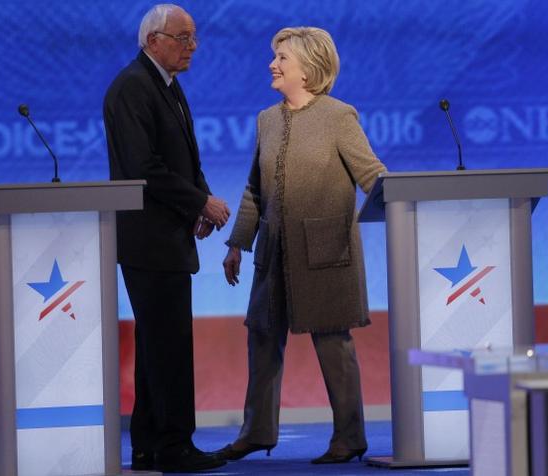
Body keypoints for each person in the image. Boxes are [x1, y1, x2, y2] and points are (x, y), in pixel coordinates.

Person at [218, 27, 387, 465]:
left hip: (326, 251)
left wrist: (404, 206)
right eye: (274, 58)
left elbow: (373, 176)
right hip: (274, 251)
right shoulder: (266, 120)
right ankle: (256, 433)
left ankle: (350, 437)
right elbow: (255, 190)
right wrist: (237, 243)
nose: (272, 65)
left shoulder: (338, 115)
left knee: (333, 342)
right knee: (262, 336)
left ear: (308, 70)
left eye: (282, 59)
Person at [103, 4, 230, 473]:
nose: (192, 46)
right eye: (183, 37)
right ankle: (175, 446)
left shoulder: (165, 85)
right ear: (154, 40)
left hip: (166, 234)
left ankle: (148, 444)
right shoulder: (133, 87)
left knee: (157, 345)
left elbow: (182, 159)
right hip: (148, 239)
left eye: (193, 37)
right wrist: (199, 203)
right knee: (168, 345)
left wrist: (199, 200)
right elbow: (145, 169)